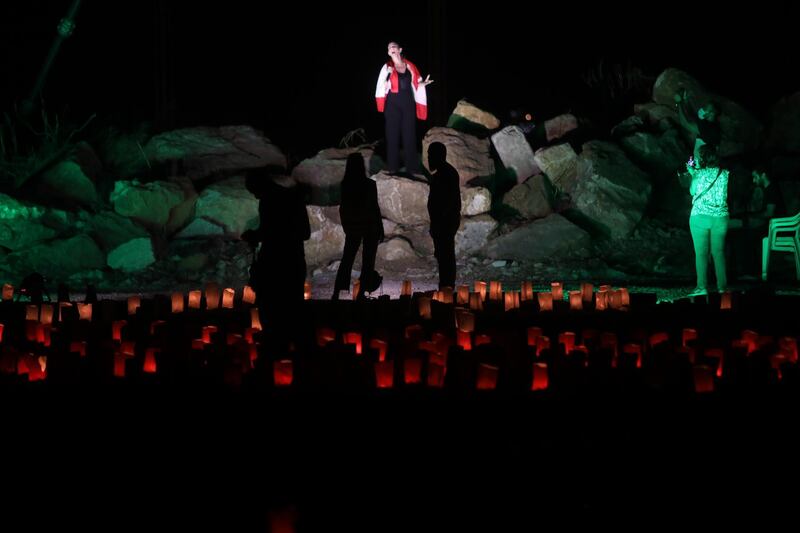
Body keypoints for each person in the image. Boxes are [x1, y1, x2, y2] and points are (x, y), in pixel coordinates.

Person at [242, 169, 311, 352]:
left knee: (272, 313)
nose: (256, 197)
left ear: (259, 186)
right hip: (294, 262)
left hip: (275, 264)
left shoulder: (268, 201)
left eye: (255, 192)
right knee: (293, 311)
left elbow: (271, 231)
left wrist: (257, 235)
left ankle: (276, 354)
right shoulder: (294, 198)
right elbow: (305, 233)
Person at [375, 41, 433, 176]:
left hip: (407, 103)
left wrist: (422, 84)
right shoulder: (387, 67)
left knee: (409, 135)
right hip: (392, 104)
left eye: (394, 46)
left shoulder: (410, 66)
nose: (391, 49)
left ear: (400, 49)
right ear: (388, 52)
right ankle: (392, 168)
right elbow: (380, 86)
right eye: (389, 47)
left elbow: (416, 83)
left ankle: (412, 168)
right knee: (392, 135)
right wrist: (388, 75)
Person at [332, 153, 384, 300]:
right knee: (368, 260)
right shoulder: (369, 184)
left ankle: (337, 292)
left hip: (354, 227)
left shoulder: (346, 185)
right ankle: (361, 292)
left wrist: (347, 226)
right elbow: (375, 208)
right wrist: (380, 228)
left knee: (347, 259)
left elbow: (344, 208)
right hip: (369, 226)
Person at [686, 144, 729, 296]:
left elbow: (692, 191)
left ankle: (701, 287)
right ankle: (722, 288)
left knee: (701, 253)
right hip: (721, 218)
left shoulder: (699, 174)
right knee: (718, 252)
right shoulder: (725, 173)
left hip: (700, 217)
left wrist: (693, 173)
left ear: (702, 159)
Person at [731, 168, 786, 279]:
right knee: (742, 232)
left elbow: (769, 213)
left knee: (745, 235)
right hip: (769, 225)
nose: (754, 180)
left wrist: (753, 216)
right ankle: (748, 272)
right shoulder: (766, 189)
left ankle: (750, 273)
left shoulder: (772, 189)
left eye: (756, 177)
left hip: (775, 227)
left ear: (764, 175)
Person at [426, 142, 461, 289]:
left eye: (430, 156)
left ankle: (447, 288)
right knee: (444, 256)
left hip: (445, 223)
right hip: (443, 222)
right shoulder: (444, 173)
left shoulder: (446, 174)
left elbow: (448, 203)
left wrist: (439, 223)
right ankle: (446, 287)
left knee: (445, 257)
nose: (428, 159)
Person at [674, 88, 721, 162]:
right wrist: (686, 101)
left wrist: (679, 103)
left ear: (712, 113)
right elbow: (693, 115)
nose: (702, 108)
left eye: (705, 108)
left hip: (702, 167)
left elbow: (685, 123)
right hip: (700, 162)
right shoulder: (709, 122)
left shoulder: (709, 129)